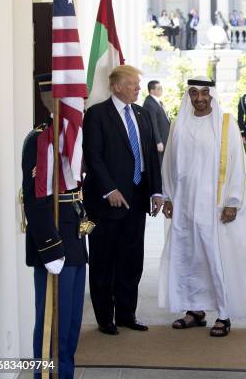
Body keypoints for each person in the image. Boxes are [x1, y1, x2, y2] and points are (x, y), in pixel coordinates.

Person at [159, 76, 246, 337]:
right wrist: (168, 196)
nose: (199, 98)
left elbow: (238, 165)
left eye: (204, 93)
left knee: (216, 258)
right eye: (194, 93)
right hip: (185, 204)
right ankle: (194, 310)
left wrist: (233, 201)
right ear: (188, 95)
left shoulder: (226, 125)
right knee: (189, 256)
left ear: (212, 94)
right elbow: (169, 161)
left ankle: (224, 315)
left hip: (214, 205)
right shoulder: (179, 123)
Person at [82, 65, 163, 335]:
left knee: (131, 260)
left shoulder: (142, 113)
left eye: (138, 84)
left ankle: (127, 314)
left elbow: (150, 155)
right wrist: (109, 189)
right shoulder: (96, 114)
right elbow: (93, 156)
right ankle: (105, 318)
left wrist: (156, 191)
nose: (138, 88)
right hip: (106, 203)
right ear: (116, 86)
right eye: (133, 84)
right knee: (104, 261)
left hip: (137, 200)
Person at [23, 74, 89, 378]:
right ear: (50, 98)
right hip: (54, 244)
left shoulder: (74, 138)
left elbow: (79, 191)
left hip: (75, 237)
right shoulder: (39, 140)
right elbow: (35, 202)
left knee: (72, 324)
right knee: (53, 326)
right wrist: (50, 250)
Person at [142, 80, 170, 163]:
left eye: (161, 88)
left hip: (164, 138)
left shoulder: (157, 101)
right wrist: (158, 141)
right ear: (152, 91)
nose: (161, 90)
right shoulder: (149, 103)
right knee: (159, 164)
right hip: (159, 140)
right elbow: (152, 124)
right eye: (159, 88)